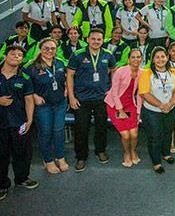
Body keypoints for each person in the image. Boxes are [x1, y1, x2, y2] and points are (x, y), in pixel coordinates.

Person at [67, 28, 116, 172]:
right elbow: (69, 76)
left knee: (101, 126)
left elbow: (114, 71)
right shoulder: (77, 55)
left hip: (102, 98)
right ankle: (81, 157)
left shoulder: (108, 54)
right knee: (81, 128)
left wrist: (112, 90)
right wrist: (71, 97)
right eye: (93, 39)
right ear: (87, 39)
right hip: (81, 99)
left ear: (102, 41)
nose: (96, 42)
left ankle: (100, 150)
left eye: (99, 39)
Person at [25, 39, 68, 174]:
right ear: (40, 49)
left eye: (53, 48)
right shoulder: (31, 66)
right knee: (46, 132)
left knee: (59, 131)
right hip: (44, 106)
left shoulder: (60, 62)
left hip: (60, 103)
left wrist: (66, 87)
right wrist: (34, 96)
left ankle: (60, 157)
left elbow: (66, 77)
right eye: (46, 48)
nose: (50, 51)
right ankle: (48, 160)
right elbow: (24, 85)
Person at [0, 46, 38, 200]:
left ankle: (22, 178)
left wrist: (29, 120)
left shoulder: (25, 78)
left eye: (20, 55)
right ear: (5, 55)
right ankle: (2, 185)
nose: (16, 56)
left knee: (22, 153)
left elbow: (29, 99)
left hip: (19, 122)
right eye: (13, 54)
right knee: (1, 155)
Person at [138, 47, 175, 174]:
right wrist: (161, 105)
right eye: (157, 57)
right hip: (152, 111)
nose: (160, 59)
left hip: (171, 109)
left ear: (167, 57)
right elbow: (144, 93)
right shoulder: (147, 73)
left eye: (163, 56)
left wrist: (170, 104)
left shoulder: (173, 72)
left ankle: (166, 154)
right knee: (155, 136)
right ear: (152, 59)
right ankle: (156, 162)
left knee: (168, 133)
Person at [104, 49, 142, 168]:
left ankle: (133, 151)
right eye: (133, 57)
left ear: (141, 59)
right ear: (128, 59)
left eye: (138, 57)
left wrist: (138, 112)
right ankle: (126, 153)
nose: (136, 59)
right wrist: (120, 110)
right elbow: (114, 92)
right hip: (115, 105)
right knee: (126, 135)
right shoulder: (120, 71)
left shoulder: (142, 73)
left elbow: (140, 95)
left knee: (134, 134)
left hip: (131, 105)